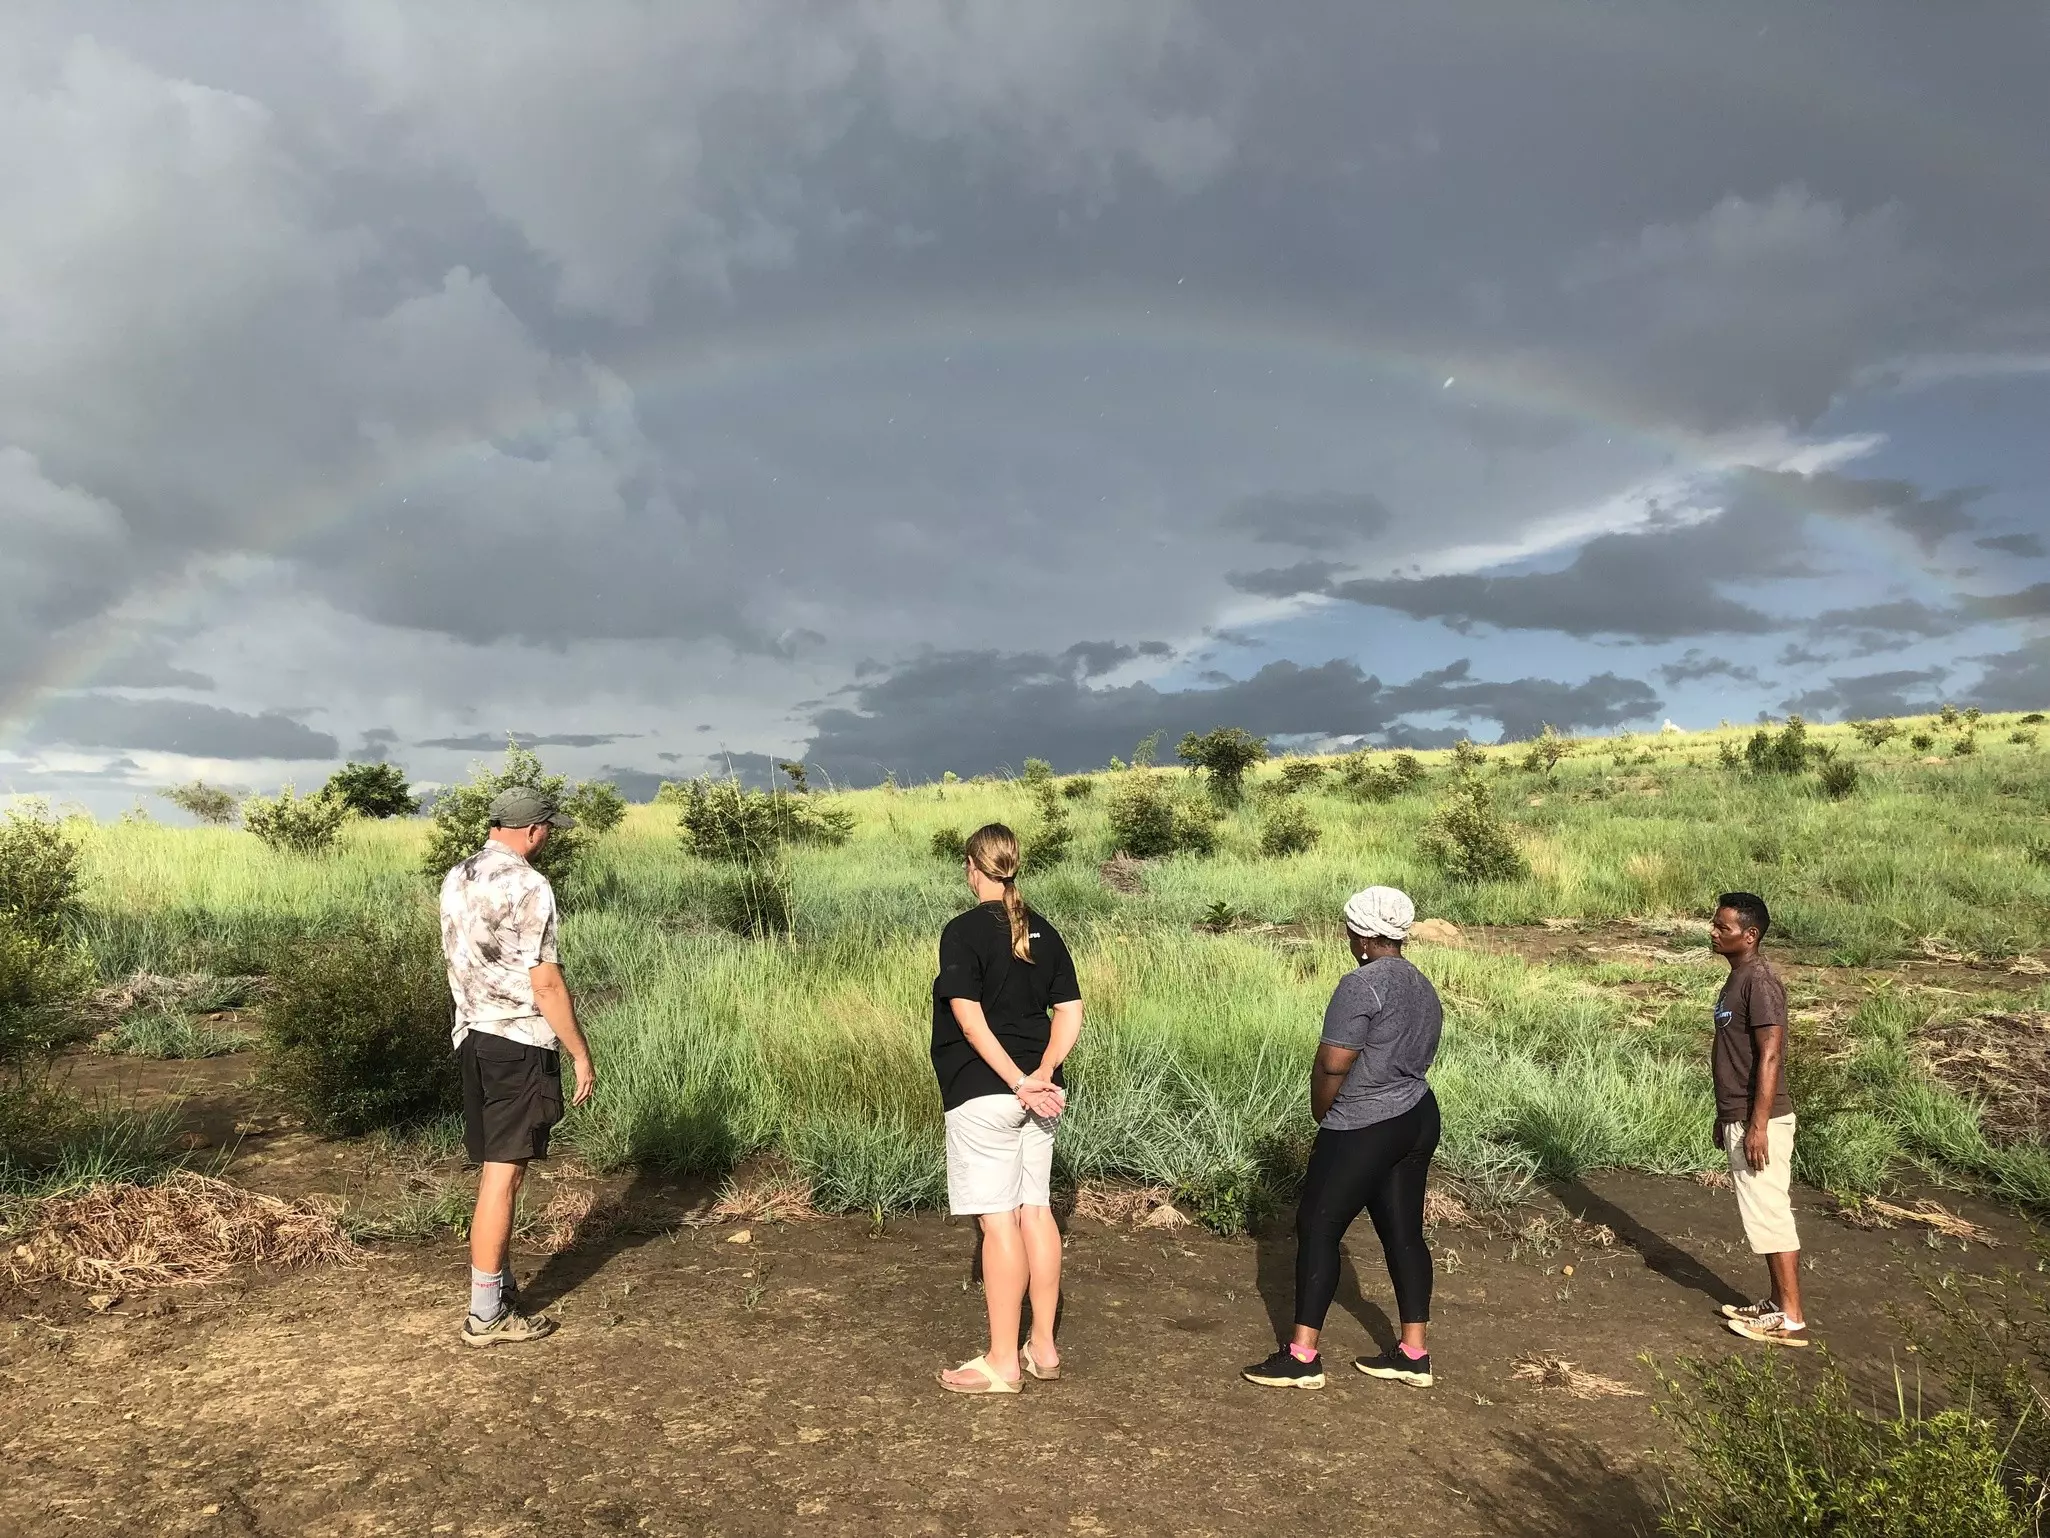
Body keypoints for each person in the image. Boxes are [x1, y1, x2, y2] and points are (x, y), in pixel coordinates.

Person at [1244, 886, 1442, 1390]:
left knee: (1318, 1226)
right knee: (1403, 1234)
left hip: (1364, 1122)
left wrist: (1322, 1111)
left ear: (1362, 935)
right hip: (1417, 1114)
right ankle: (1413, 1352)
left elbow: (1334, 1061)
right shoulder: (1422, 984)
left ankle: (1302, 1357)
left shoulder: (1361, 985)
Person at [439, 787, 597, 1346]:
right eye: (549, 828)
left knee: (493, 1167)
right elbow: (546, 982)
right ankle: (486, 1314)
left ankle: (498, 1288)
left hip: (473, 1035)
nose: (550, 837)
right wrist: (579, 1051)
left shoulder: (457, 876)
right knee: (504, 1173)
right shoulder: (530, 885)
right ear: (533, 829)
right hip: (517, 1041)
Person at [931, 823, 1083, 1393]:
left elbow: (969, 1022)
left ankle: (1002, 1361)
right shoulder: (1043, 928)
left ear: (974, 866)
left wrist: (1020, 1080)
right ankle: (1042, 1347)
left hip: (985, 1092)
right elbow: (1069, 1010)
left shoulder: (962, 932)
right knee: (1036, 1212)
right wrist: (1043, 1073)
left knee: (997, 1224)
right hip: (1041, 1094)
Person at [1709, 891, 1807, 1347]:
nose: (1713, 932)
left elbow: (1771, 1055)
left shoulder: (1760, 982)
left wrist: (1758, 1124)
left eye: (1722, 927)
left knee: (1770, 1214)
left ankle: (1790, 1318)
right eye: (1714, 923)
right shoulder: (1737, 978)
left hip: (1762, 1121)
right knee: (1760, 1214)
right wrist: (1725, 1115)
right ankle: (1773, 1303)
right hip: (1740, 1114)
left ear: (1749, 935)